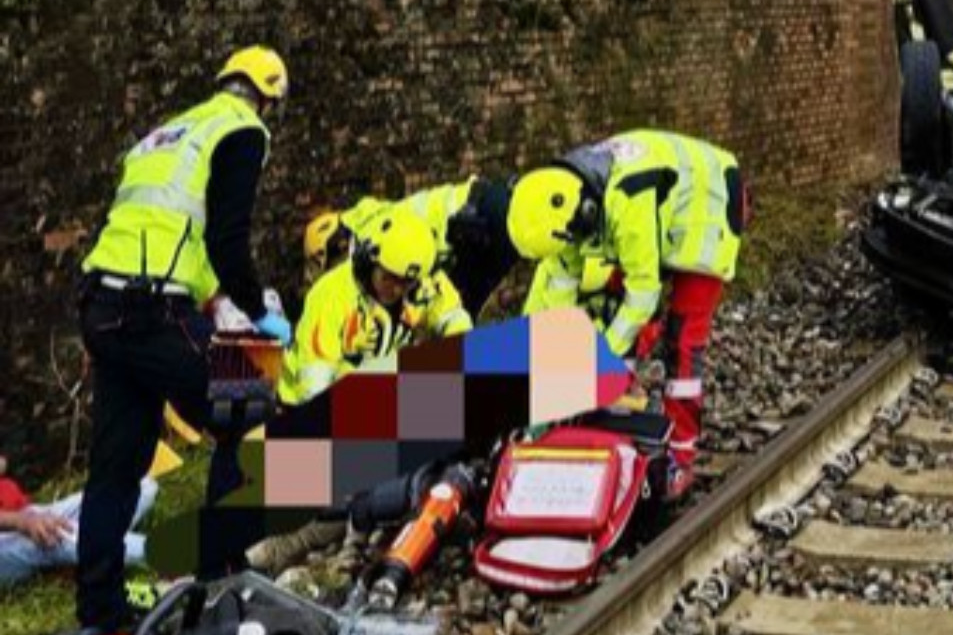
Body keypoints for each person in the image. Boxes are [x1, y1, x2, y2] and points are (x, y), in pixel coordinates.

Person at [75, 46, 290, 630]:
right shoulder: (243, 130)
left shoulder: (166, 133)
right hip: (153, 310)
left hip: (102, 306)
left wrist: (212, 294)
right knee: (247, 411)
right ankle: (223, 573)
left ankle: (101, 607)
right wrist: (254, 307)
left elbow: (160, 230)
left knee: (118, 463)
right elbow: (226, 237)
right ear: (268, 97)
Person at [507, 131, 747, 501]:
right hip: (662, 216)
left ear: (586, 212)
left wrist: (600, 355)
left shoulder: (628, 198)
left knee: (682, 339)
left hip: (708, 210)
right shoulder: (561, 211)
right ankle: (612, 412)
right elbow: (557, 299)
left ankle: (681, 455)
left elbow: (645, 292)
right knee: (616, 314)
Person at [278, 210, 455, 405]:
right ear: (372, 262)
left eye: (406, 282)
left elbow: (455, 320)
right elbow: (314, 383)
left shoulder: (426, 282)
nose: (396, 290)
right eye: (388, 277)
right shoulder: (332, 293)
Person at [310, 177, 520, 317]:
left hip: (477, 220)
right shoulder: (371, 216)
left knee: (456, 310)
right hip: (487, 205)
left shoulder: (369, 236)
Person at [0, 457, 156, 588]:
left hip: (20, 514)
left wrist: (26, 518)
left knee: (142, 486)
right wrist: (22, 522)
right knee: (56, 533)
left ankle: (77, 561)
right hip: (11, 528)